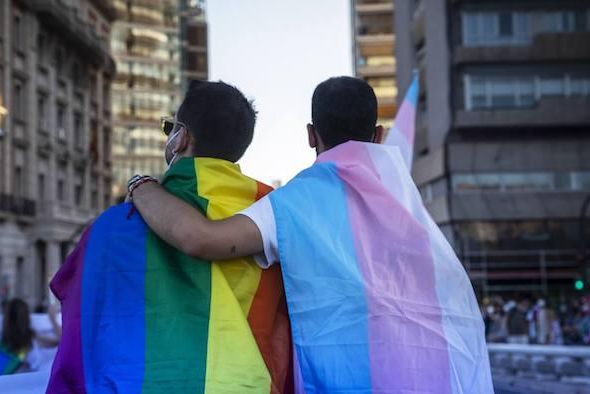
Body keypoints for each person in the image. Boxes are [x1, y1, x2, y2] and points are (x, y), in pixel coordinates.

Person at [128, 76, 493, 392]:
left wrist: (142, 185)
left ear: (310, 135)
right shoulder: (411, 210)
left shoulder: (293, 204)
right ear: (378, 136)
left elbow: (201, 238)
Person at [48, 81, 292, 393]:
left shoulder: (111, 229)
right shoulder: (272, 219)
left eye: (170, 128)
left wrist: (139, 185)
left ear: (181, 138)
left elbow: (80, 331)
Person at [0, 298, 61, 375]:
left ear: (6, 318)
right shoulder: (34, 341)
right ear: (27, 318)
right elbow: (63, 342)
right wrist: (53, 319)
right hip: (31, 384)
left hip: (2, 384)